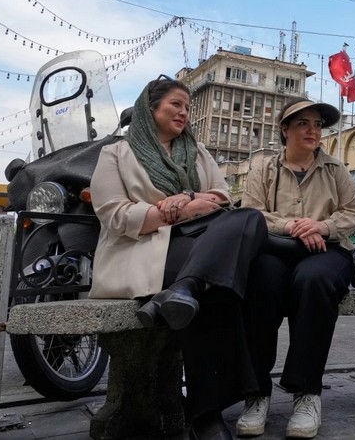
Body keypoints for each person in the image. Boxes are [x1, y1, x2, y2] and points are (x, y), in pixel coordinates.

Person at [89, 76, 268, 440]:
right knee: (217, 286)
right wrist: (176, 211)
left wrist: (186, 198)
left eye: (187, 107)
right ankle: (206, 414)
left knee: (250, 217)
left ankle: (184, 289)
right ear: (150, 107)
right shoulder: (116, 154)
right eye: (176, 104)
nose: (184, 112)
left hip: (202, 241)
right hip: (143, 248)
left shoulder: (197, 151)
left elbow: (221, 196)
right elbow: (115, 214)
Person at [238, 97, 355, 439]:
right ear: (285, 129)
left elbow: (352, 212)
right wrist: (291, 225)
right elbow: (251, 212)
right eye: (303, 124)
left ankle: (307, 391)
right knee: (259, 282)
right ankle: (256, 392)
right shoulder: (263, 169)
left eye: (317, 125)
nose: (312, 131)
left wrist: (321, 226)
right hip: (275, 249)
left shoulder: (335, 169)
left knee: (315, 281)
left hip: (327, 250)